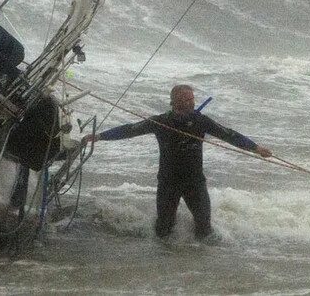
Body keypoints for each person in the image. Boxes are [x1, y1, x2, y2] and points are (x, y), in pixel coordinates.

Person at [88, 84, 273, 240]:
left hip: (194, 181)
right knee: (163, 229)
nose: (192, 103)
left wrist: (256, 148)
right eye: (187, 100)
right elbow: (131, 129)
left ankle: (203, 261)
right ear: (175, 102)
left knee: (204, 226)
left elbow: (228, 134)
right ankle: (164, 260)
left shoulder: (200, 121)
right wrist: (100, 136)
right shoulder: (160, 122)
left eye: (193, 99)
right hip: (169, 181)